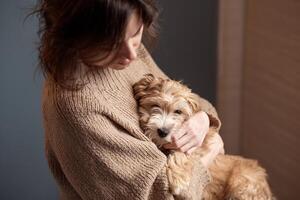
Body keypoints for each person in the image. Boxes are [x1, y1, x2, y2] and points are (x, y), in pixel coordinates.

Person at [34, 0, 224, 199]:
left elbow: (186, 99)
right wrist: (209, 153)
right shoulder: (76, 106)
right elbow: (162, 194)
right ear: (74, 36)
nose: (131, 54)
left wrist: (203, 119)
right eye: (111, 44)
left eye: (136, 33)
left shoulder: (123, 48)